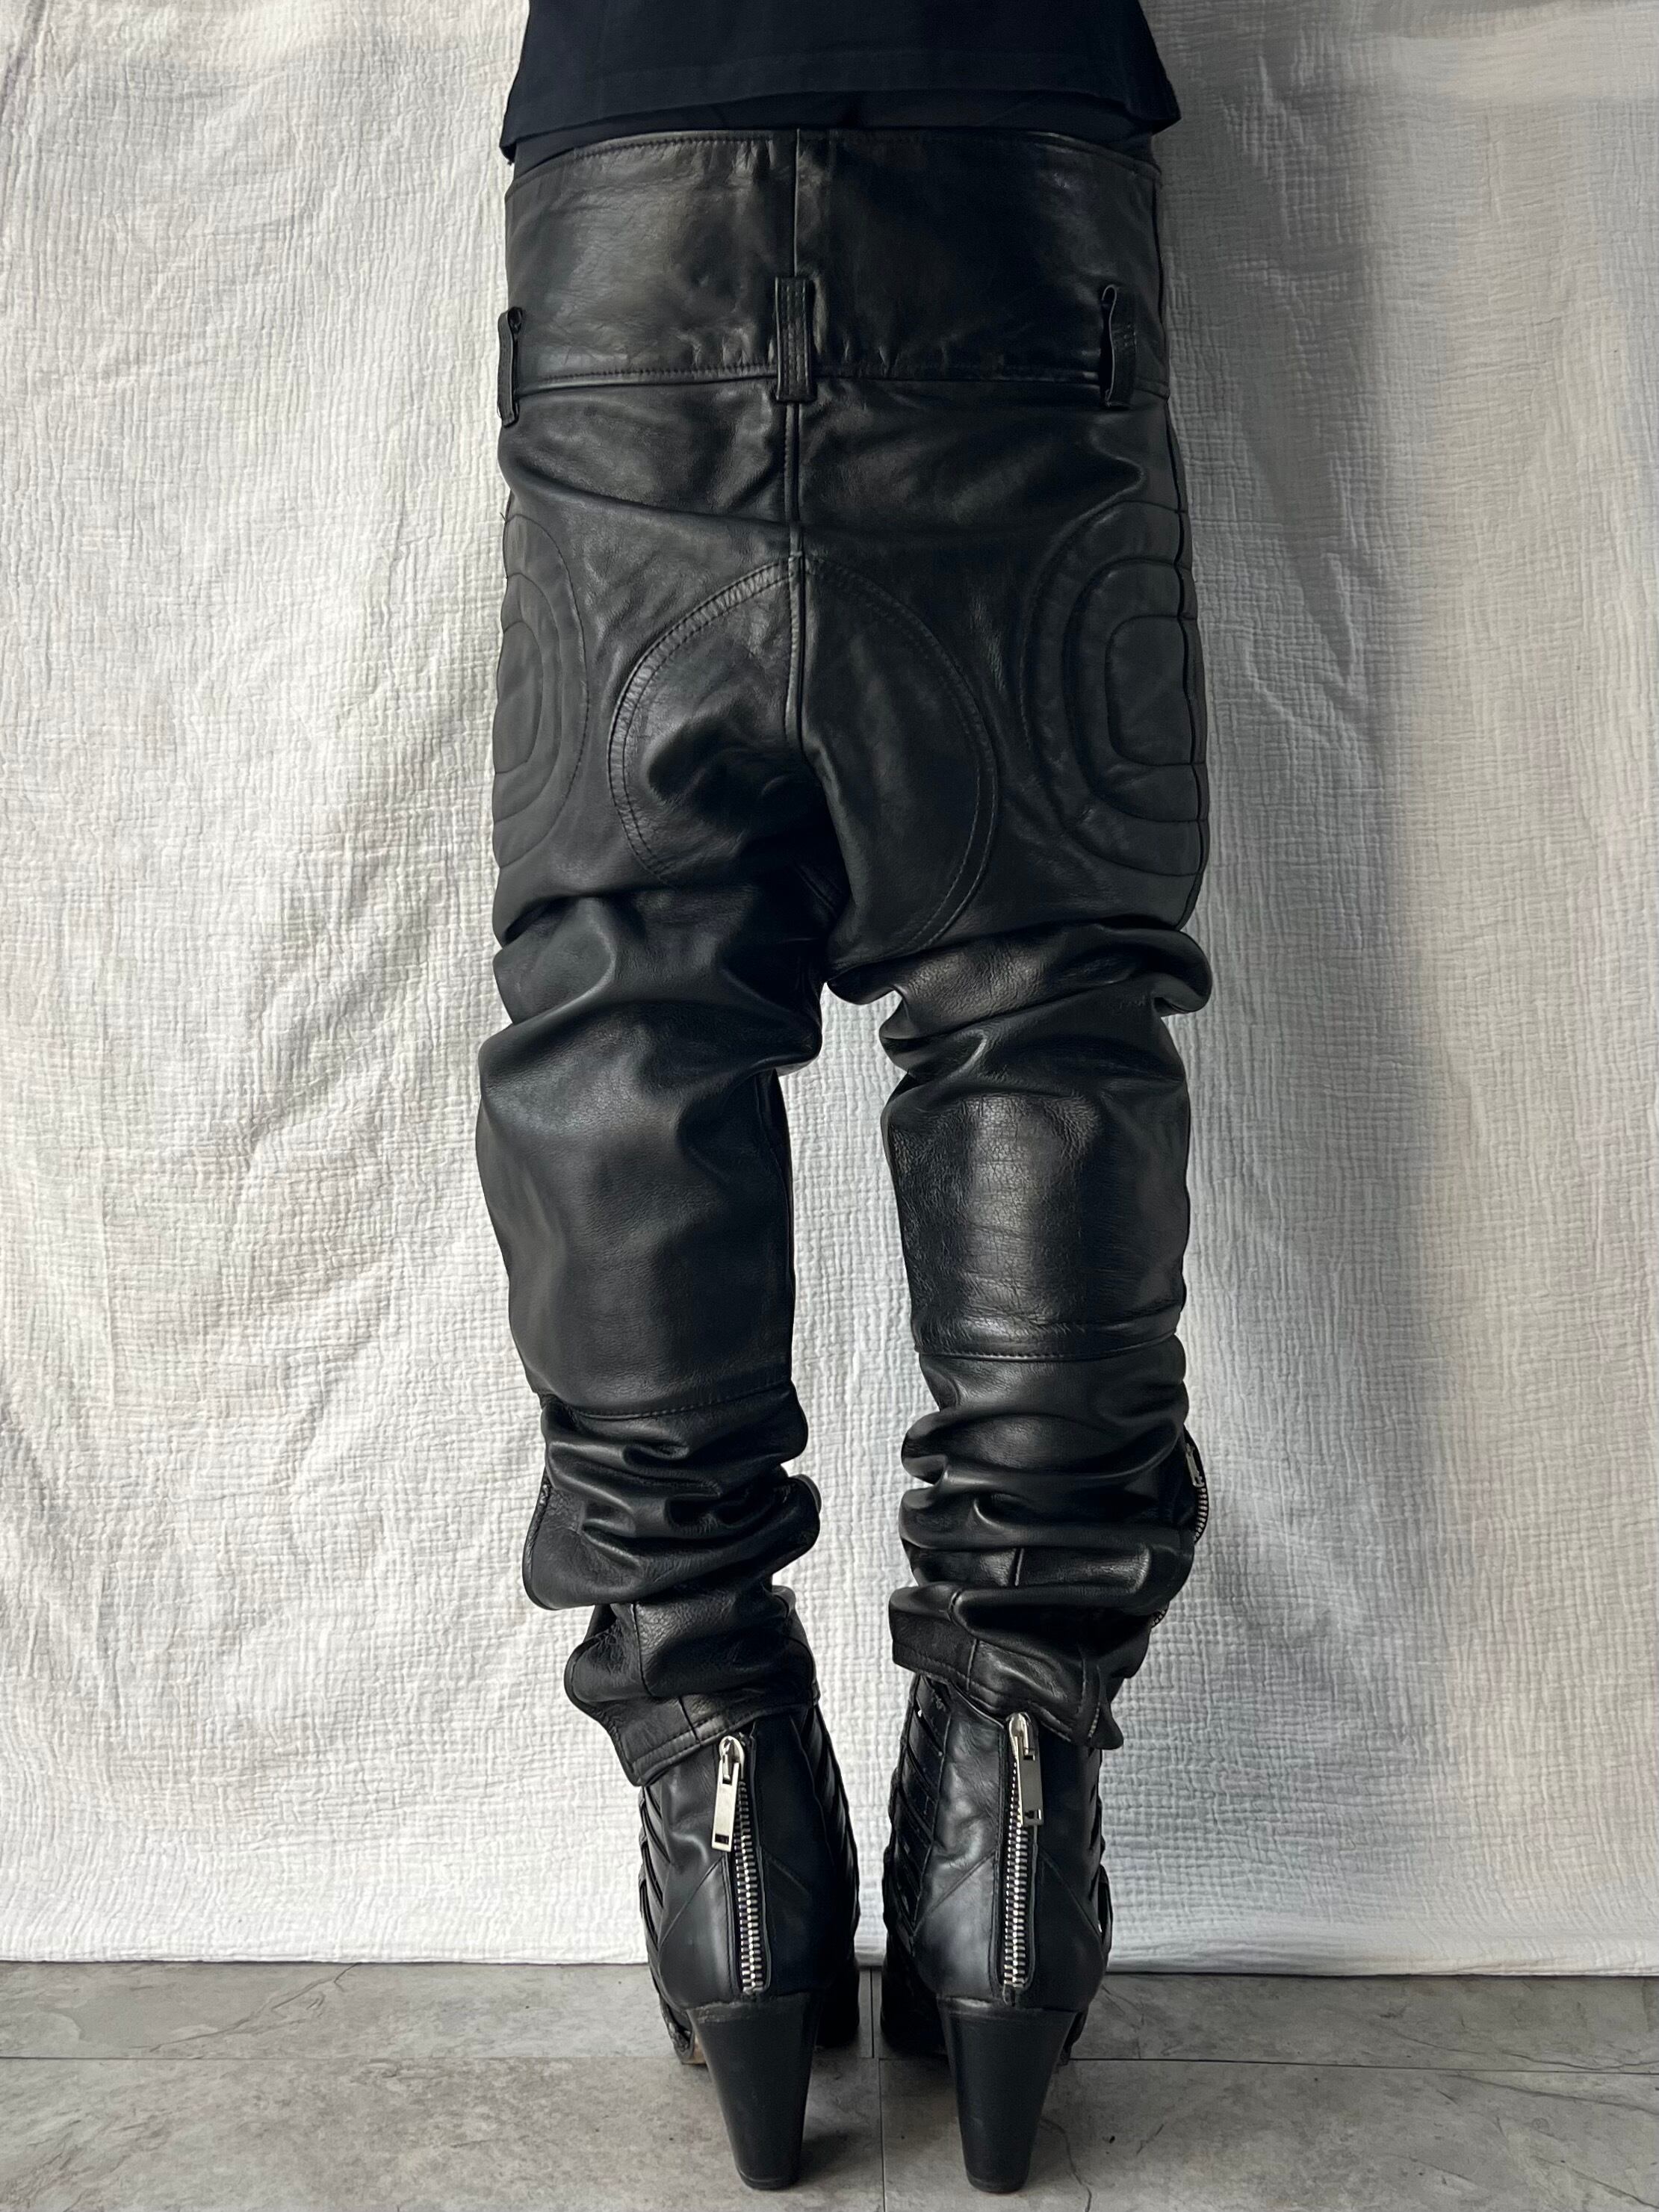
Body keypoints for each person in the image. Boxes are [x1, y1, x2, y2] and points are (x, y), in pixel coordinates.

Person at [477, 1, 1214, 2191]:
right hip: (1012, 163)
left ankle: (718, 1789)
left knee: (628, 1007)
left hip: (635, 179)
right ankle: (1011, 1790)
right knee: (1037, 1001)